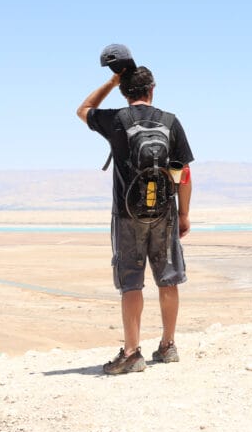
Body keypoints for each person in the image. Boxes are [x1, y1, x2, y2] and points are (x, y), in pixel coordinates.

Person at [77, 64, 194, 375]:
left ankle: (131, 353)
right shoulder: (170, 121)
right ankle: (168, 345)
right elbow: (183, 173)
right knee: (168, 278)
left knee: (131, 283)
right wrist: (183, 214)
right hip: (165, 213)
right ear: (152, 89)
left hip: (127, 213)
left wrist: (111, 81)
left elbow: (83, 110)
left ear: (123, 91)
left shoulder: (117, 119)